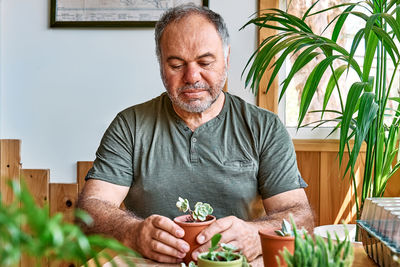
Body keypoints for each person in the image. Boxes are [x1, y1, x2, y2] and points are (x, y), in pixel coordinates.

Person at [77, 4, 313, 264]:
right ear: (161, 64)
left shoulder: (264, 127)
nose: (192, 77)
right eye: (176, 64)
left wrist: (256, 234)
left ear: (227, 58)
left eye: (205, 62)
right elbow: (90, 209)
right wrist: (132, 232)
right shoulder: (130, 125)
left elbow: (300, 216)